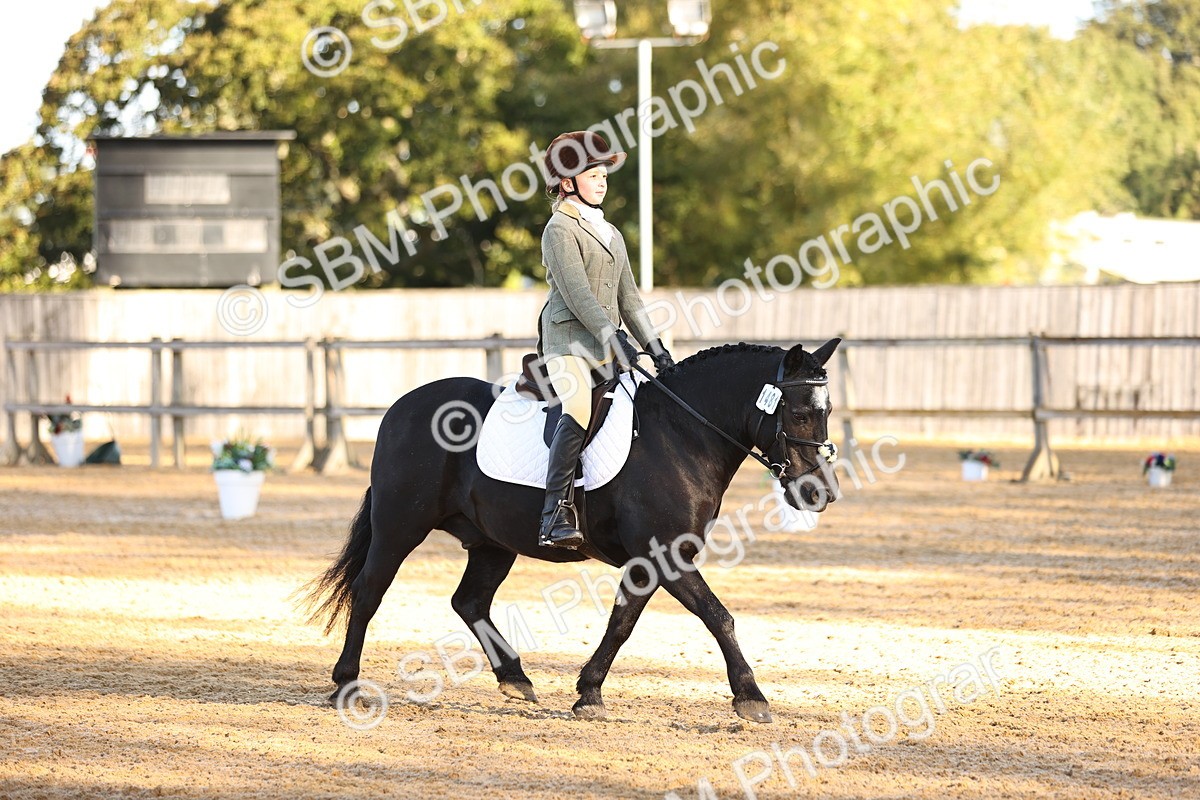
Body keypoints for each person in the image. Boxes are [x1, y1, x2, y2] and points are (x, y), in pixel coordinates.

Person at [535, 130, 674, 550]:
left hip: (606, 343)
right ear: (566, 183)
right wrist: (614, 338)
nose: (602, 181)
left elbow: (629, 298)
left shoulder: (610, 232)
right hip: (568, 344)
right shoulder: (559, 229)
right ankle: (554, 512)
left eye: (603, 175)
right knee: (578, 406)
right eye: (592, 175)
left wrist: (656, 348)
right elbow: (577, 294)